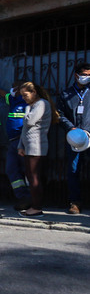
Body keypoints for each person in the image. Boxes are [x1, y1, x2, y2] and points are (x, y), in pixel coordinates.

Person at [0, 78, 32, 210]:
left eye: (15, 88)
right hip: (12, 142)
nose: (12, 90)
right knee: (11, 169)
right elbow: (2, 93)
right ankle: (22, 196)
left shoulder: (28, 102)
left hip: (24, 141)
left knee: (26, 170)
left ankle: (31, 198)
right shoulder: (13, 100)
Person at [56, 60, 90, 214]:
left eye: (89, 75)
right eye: (84, 75)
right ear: (76, 76)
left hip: (89, 136)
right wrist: (71, 128)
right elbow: (59, 114)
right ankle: (75, 202)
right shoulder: (66, 94)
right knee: (73, 169)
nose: (86, 77)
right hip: (74, 138)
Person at [16, 82, 54, 217]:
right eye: (22, 95)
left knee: (34, 178)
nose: (23, 98)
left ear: (34, 93)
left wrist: (27, 109)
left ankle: (37, 208)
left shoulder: (41, 104)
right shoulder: (32, 106)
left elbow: (29, 122)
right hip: (28, 146)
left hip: (37, 146)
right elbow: (25, 130)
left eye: (25, 95)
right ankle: (35, 205)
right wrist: (20, 145)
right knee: (30, 177)